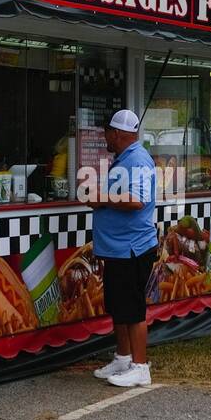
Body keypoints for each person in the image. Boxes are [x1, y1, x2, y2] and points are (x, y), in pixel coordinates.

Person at [83, 109, 158, 388]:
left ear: (117, 134)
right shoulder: (125, 159)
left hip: (132, 248)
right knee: (119, 306)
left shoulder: (136, 159)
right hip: (118, 248)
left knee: (133, 309)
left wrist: (101, 198)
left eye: (107, 134)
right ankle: (123, 358)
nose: (105, 139)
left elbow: (137, 200)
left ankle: (140, 367)